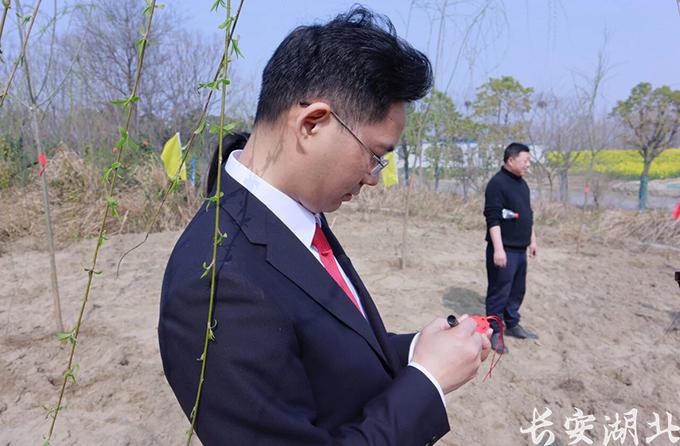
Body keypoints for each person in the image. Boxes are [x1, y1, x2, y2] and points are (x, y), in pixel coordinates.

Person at [159, 7, 491, 445]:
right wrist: (427, 382)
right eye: (374, 155)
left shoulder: (294, 213)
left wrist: (416, 351)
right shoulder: (218, 285)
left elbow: (326, 357)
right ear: (312, 123)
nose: (374, 177)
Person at [483, 142, 539, 354]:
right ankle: (495, 331)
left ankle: (512, 323)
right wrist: (498, 249)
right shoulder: (497, 184)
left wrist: (532, 240)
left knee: (517, 290)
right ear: (511, 160)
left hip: (520, 249)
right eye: (525, 160)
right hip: (504, 250)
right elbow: (493, 218)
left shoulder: (522, 185)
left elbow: (527, 214)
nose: (528, 164)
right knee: (499, 292)